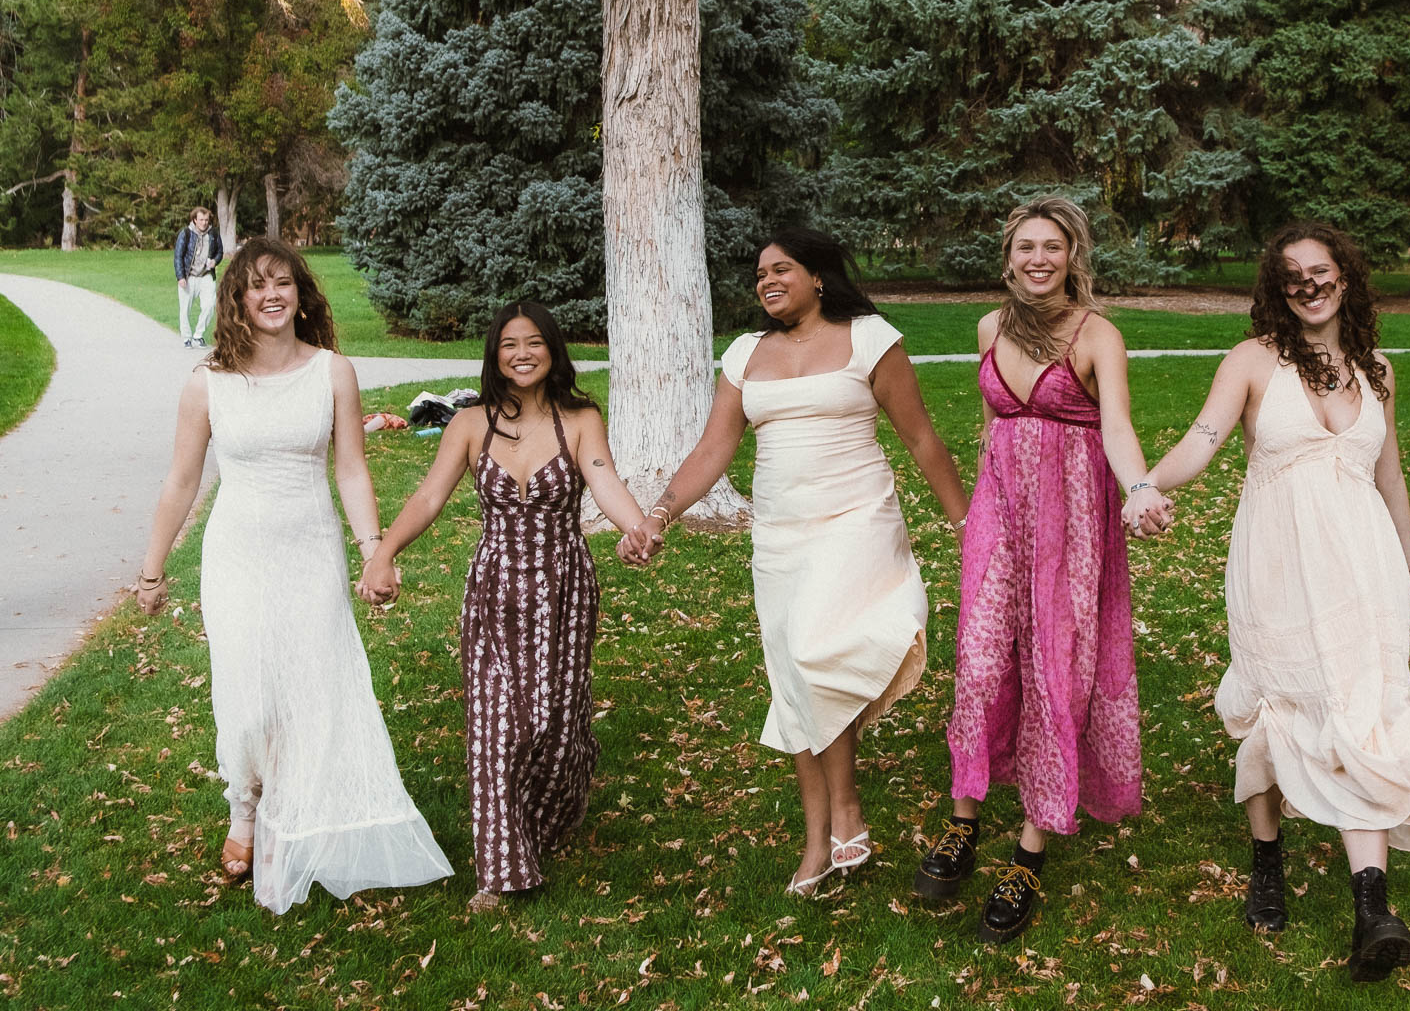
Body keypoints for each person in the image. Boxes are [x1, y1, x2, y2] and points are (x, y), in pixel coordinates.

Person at [1137, 221, 1410, 982]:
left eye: (1322, 270)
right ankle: (1267, 856)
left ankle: (1373, 907)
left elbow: (1388, 475)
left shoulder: (1378, 370)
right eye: (1293, 273)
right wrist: (1145, 486)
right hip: (1277, 558)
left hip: (1363, 566)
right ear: (1278, 286)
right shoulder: (1252, 361)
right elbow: (1201, 442)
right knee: (1280, 699)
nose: (1309, 283)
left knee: (1360, 705)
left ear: (1345, 279)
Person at [623, 228, 970, 898]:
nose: (767, 280)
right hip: (780, 538)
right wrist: (660, 513)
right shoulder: (748, 354)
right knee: (794, 682)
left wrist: (966, 524)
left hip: (855, 521)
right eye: (759, 273)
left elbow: (922, 436)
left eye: (782, 268)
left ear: (819, 278)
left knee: (814, 654)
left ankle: (846, 811)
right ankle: (819, 844)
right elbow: (711, 450)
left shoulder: (870, 337)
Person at [134, 237, 453, 914]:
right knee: (248, 695)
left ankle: (283, 820)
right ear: (237, 300)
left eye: (283, 282)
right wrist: (152, 570)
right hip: (237, 557)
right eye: (256, 285)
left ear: (300, 294)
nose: (271, 294)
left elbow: (351, 468)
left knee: (307, 688)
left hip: (310, 551)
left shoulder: (332, 372)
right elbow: (182, 479)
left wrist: (374, 548)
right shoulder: (208, 383)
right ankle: (242, 805)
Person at [911, 196, 1172, 943]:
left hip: (1075, 522)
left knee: (1056, 668)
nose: (1037, 259)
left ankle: (1029, 849)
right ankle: (964, 819)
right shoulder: (989, 328)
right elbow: (994, 423)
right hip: (1001, 520)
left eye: (1051, 247)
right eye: (1026, 246)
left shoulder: (1098, 336)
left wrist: (1142, 488)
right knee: (983, 663)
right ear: (1007, 257)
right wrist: (979, 514)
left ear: (1072, 257)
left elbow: (1116, 426)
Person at [357, 302, 657, 912]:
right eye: (508, 345)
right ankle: (500, 870)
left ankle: (552, 809)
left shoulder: (580, 418)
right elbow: (430, 495)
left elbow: (602, 477)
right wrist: (383, 553)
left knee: (553, 721)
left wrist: (636, 527)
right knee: (498, 725)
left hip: (564, 588)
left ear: (552, 351)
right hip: (494, 588)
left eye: (534, 343)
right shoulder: (469, 423)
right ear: (495, 356)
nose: (522, 354)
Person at [174, 206, 223, 348]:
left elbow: (219, 251)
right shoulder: (186, 233)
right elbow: (178, 256)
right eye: (201, 220)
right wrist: (180, 277)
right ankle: (186, 338)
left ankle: (198, 335)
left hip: (206, 275)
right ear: (195, 220)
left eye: (206, 220)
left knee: (209, 305)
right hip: (189, 276)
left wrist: (215, 261)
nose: (204, 223)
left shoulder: (213, 233)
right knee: (185, 308)